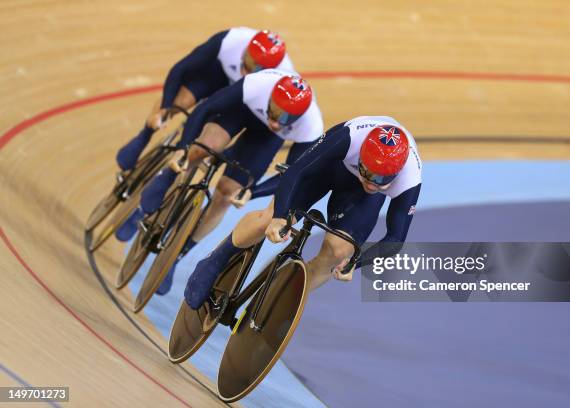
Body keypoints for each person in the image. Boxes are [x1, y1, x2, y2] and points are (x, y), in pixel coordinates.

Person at [118, 69, 324, 295]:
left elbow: (292, 175)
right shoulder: (257, 85)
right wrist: (184, 149)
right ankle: (152, 198)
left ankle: (175, 256)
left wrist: (252, 192)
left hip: (263, 140)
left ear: (299, 118)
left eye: (285, 119)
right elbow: (207, 108)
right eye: (274, 112)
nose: (276, 121)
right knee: (201, 150)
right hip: (239, 112)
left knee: (226, 194)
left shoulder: (311, 126)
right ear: (270, 98)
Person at [183, 116, 422, 310]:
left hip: (358, 199)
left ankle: (281, 302)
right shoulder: (349, 137)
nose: (370, 183)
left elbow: (395, 240)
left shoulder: (410, 177)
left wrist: (355, 263)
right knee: (269, 219)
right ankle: (216, 260)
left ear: (397, 174)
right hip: (331, 169)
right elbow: (297, 171)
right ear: (361, 156)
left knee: (339, 253)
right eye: (366, 172)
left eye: (380, 180)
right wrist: (279, 217)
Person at [115, 27, 293, 172]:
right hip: (218, 74)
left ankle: (168, 179)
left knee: (205, 143)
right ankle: (145, 134)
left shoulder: (279, 83)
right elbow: (181, 69)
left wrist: (225, 151)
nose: (247, 67)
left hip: (242, 97)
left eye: (256, 67)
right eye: (248, 59)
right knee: (180, 101)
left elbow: (254, 125)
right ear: (245, 49)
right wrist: (165, 107)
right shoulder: (231, 40)